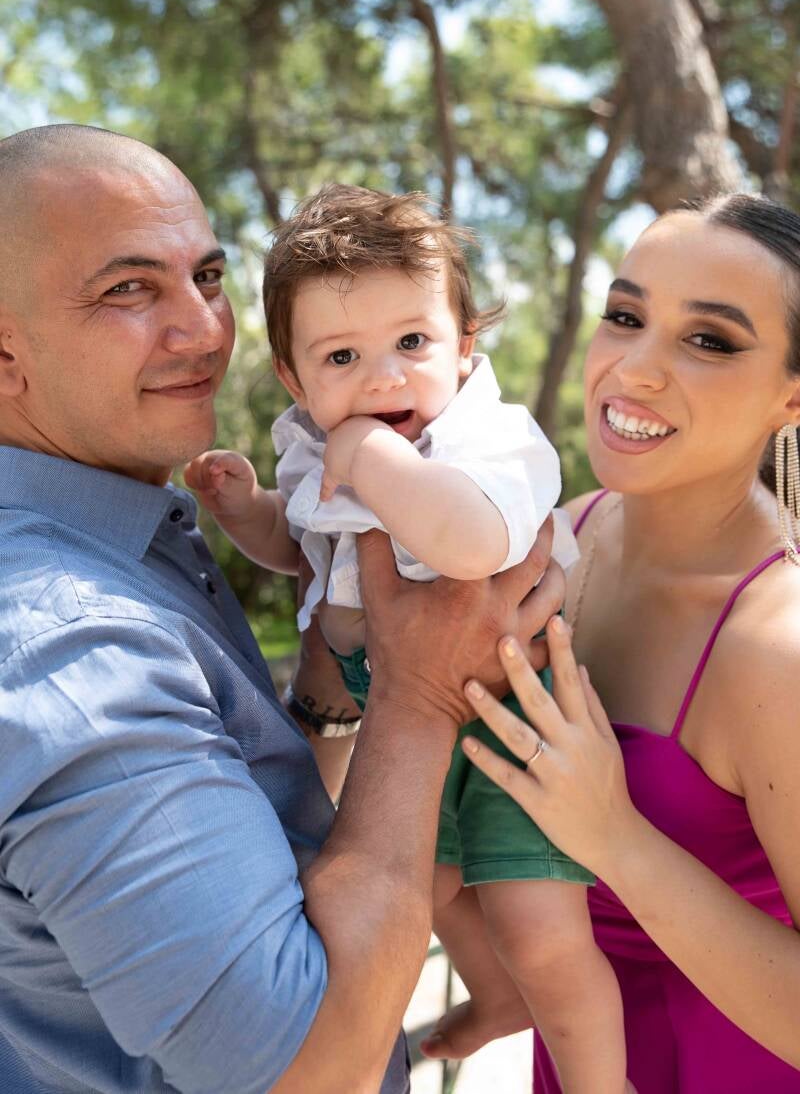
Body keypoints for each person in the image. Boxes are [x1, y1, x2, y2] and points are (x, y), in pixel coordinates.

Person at [0, 123, 564, 1094]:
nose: (206, 331)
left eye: (207, 277)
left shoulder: (128, 539)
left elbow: (257, 807)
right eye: (128, 289)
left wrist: (330, 691)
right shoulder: (70, 644)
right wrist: (420, 695)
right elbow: (309, 1070)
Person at [185, 183, 630, 1093]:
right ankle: (493, 995)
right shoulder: (315, 447)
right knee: (420, 892)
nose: (384, 378)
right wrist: (247, 511)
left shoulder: (491, 440)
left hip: (512, 715)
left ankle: (597, 1082)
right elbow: (306, 549)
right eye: (342, 356)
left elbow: (471, 545)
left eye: (413, 343)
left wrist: (375, 460)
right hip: (395, 708)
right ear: (294, 378)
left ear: (465, 344)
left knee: (541, 929)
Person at [437, 194, 800, 1092]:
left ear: (791, 397)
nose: (635, 369)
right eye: (626, 317)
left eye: (709, 340)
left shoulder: (778, 647)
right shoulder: (556, 540)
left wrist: (615, 838)